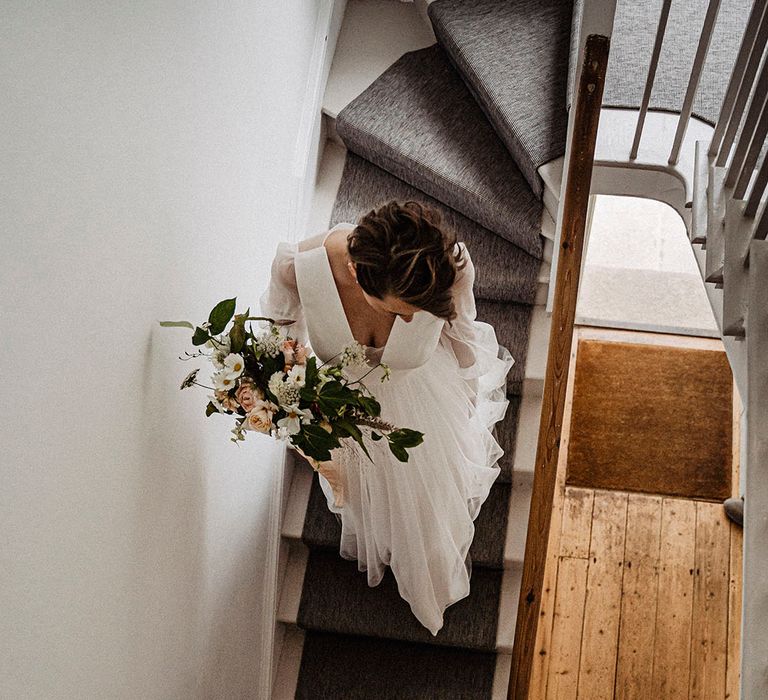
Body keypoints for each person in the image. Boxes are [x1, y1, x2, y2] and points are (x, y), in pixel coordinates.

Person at [258, 200, 514, 635]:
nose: (410, 320)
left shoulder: (446, 270)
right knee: (372, 496)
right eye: (398, 311)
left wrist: (465, 405)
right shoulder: (297, 268)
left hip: (425, 404)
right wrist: (283, 393)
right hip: (349, 413)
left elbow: (463, 335)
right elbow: (278, 340)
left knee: (430, 504)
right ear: (357, 274)